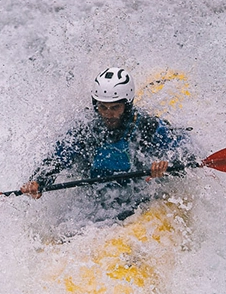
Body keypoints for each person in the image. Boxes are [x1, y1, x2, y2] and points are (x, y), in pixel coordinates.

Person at [21, 67, 198, 222]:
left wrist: (167, 164)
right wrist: (39, 180)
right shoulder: (85, 129)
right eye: (103, 107)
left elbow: (184, 147)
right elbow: (58, 157)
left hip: (139, 196)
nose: (108, 114)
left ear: (127, 106)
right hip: (95, 199)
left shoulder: (146, 126)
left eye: (115, 108)